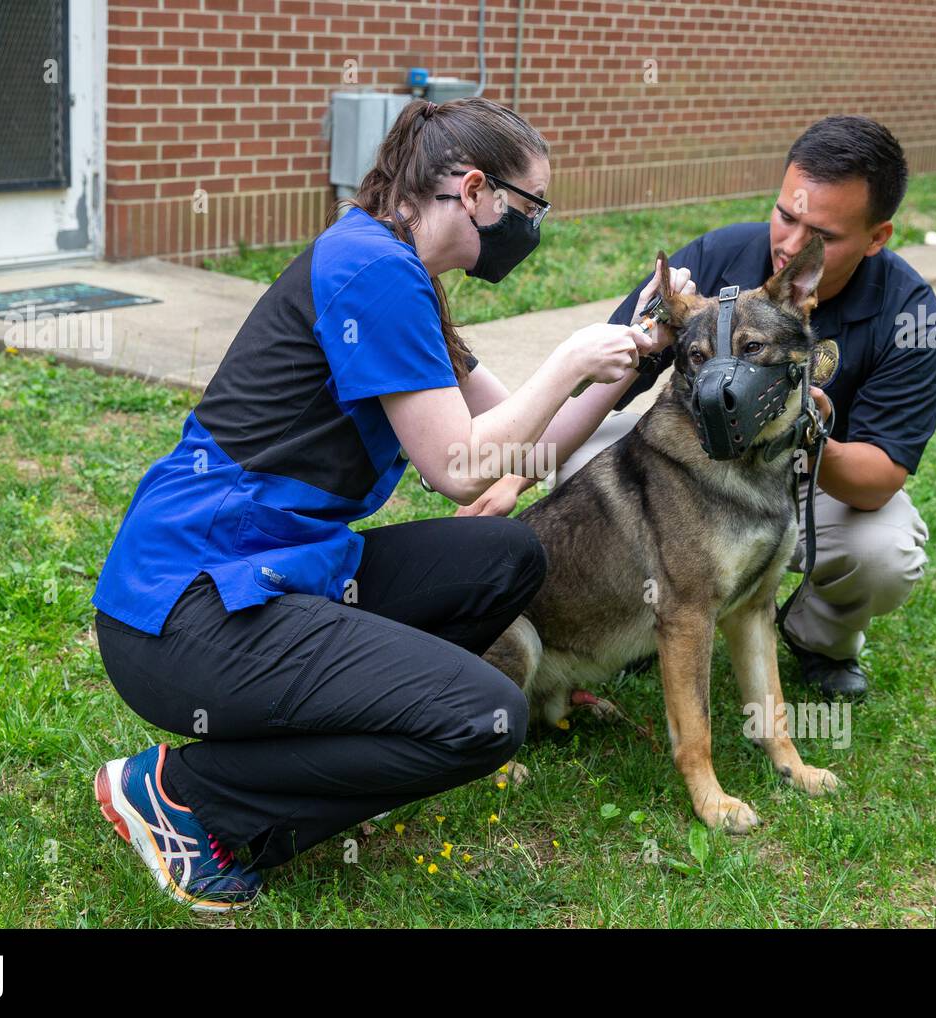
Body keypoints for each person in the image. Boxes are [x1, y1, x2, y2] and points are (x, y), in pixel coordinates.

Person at [88, 96, 666, 911]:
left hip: (267, 576)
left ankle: (343, 746)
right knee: (486, 718)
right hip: (184, 612)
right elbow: (462, 467)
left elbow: (526, 447)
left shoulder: (398, 270)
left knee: (507, 557)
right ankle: (186, 795)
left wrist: (637, 360)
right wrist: (569, 358)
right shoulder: (374, 271)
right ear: (475, 190)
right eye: (531, 206)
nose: (534, 228)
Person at [465, 115, 936, 701]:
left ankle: (818, 638)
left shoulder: (909, 314)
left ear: (877, 237)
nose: (790, 245)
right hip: (696, 464)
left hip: (809, 476)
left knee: (884, 553)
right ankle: (644, 617)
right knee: (587, 463)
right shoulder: (717, 258)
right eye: (785, 216)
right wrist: (516, 474)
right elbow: (601, 380)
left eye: (820, 235)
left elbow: (877, 480)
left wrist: (803, 426)